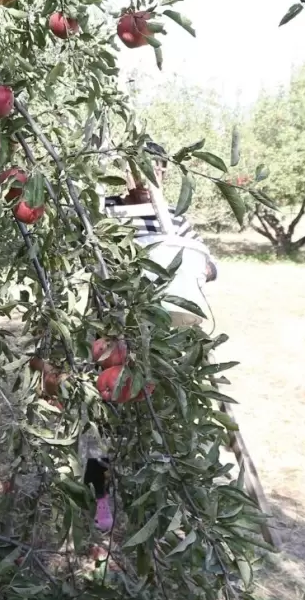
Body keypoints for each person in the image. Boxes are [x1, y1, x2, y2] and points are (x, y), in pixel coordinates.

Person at [84, 143, 218, 531]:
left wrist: (202, 268)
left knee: (154, 413)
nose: (145, 176)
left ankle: (153, 494)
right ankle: (100, 497)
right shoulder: (105, 210)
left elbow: (208, 263)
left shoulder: (174, 218)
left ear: (163, 173)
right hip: (112, 332)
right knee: (101, 421)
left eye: (155, 168)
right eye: (136, 167)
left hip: (161, 338)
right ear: (124, 170)